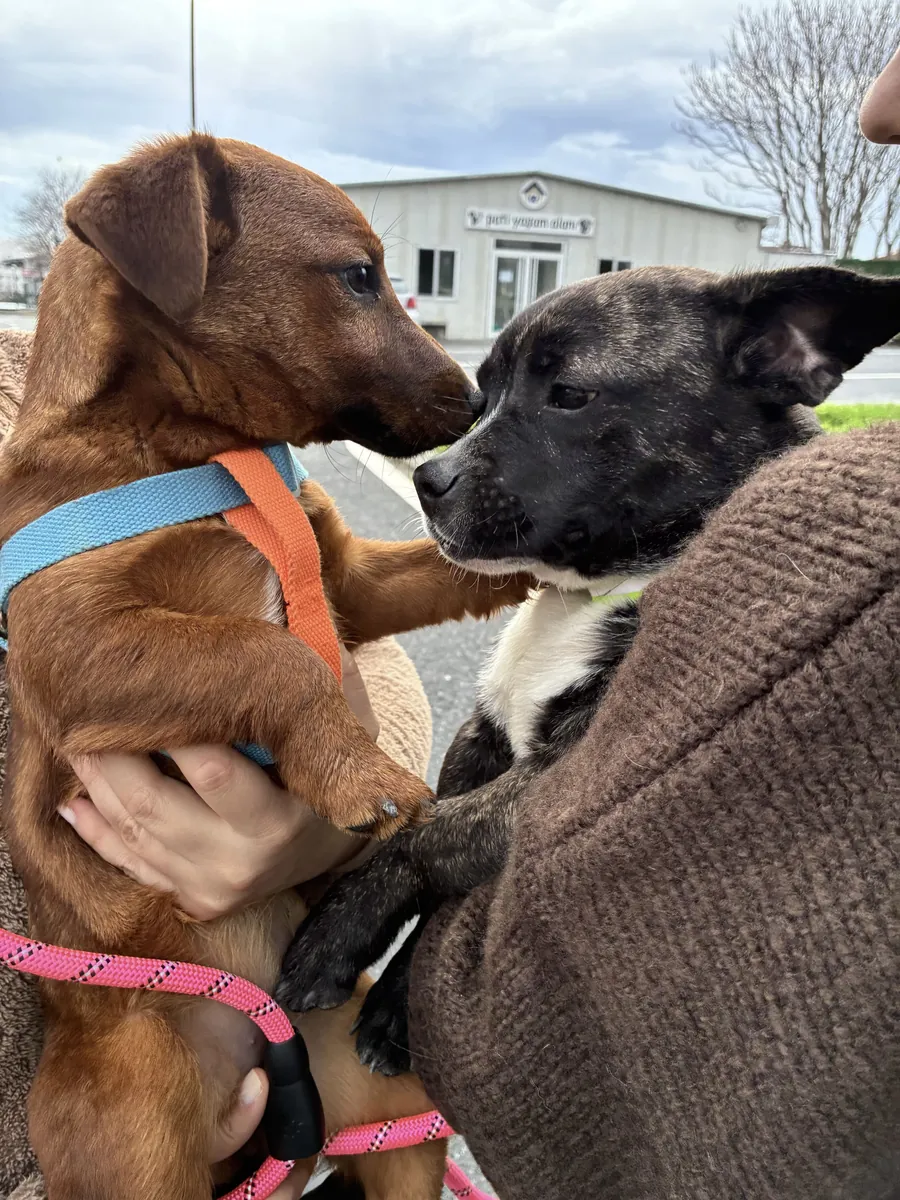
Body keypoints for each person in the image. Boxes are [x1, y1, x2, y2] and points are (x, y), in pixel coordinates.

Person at [3, 49, 900, 1200]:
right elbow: (75, 660)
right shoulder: (86, 494)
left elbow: (359, 593)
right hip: (140, 1005)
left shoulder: (834, 587)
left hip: (314, 966)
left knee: (400, 1108)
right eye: (356, 282)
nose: (874, 103)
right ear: (171, 263)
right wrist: (317, 727)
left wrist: (511, 568)